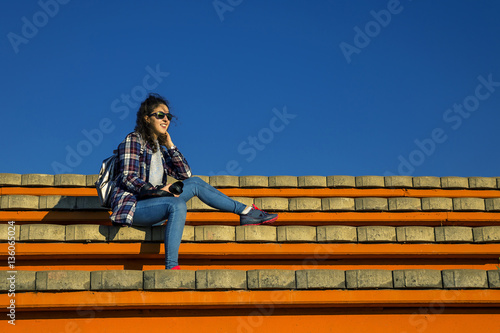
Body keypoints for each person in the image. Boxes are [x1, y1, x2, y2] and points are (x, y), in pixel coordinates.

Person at [110, 93, 278, 269]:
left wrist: (171, 146)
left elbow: (186, 175)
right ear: (146, 118)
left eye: (168, 116)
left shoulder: (159, 150)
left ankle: (246, 212)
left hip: (156, 204)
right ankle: (172, 267)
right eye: (160, 115)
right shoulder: (133, 139)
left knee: (195, 183)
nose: (166, 119)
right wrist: (156, 191)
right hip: (134, 207)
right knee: (177, 205)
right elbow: (128, 177)